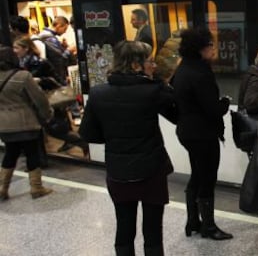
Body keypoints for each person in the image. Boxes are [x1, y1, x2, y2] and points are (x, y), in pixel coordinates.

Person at [79, 40, 176, 256]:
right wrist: (162, 83)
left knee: (124, 227)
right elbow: (178, 114)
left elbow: (89, 134)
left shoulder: (97, 93)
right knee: (152, 230)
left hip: (118, 172)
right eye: (150, 61)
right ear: (135, 65)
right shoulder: (153, 91)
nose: (154, 66)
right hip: (151, 170)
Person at [172, 27, 233, 240]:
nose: (213, 49)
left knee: (197, 174)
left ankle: (193, 221)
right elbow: (212, 109)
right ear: (200, 49)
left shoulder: (181, 70)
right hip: (203, 133)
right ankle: (208, 227)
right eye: (210, 45)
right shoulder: (201, 73)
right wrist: (225, 102)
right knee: (207, 177)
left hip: (187, 132)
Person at [13, 35, 89, 158]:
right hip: (38, 99)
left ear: (25, 48)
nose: (14, 50)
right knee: (50, 128)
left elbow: (54, 81)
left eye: (16, 48)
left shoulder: (38, 62)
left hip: (49, 99)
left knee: (54, 128)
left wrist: (38, 80)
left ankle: (82, 143)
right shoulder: (22, 62)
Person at [0, 46, 54, 200]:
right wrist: (48, 115)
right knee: (32, 153)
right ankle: (36, 187)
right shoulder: (23, 76)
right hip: (26, 122)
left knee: (10, 153)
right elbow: (39, 99)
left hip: (4, 124)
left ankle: (2, 187)